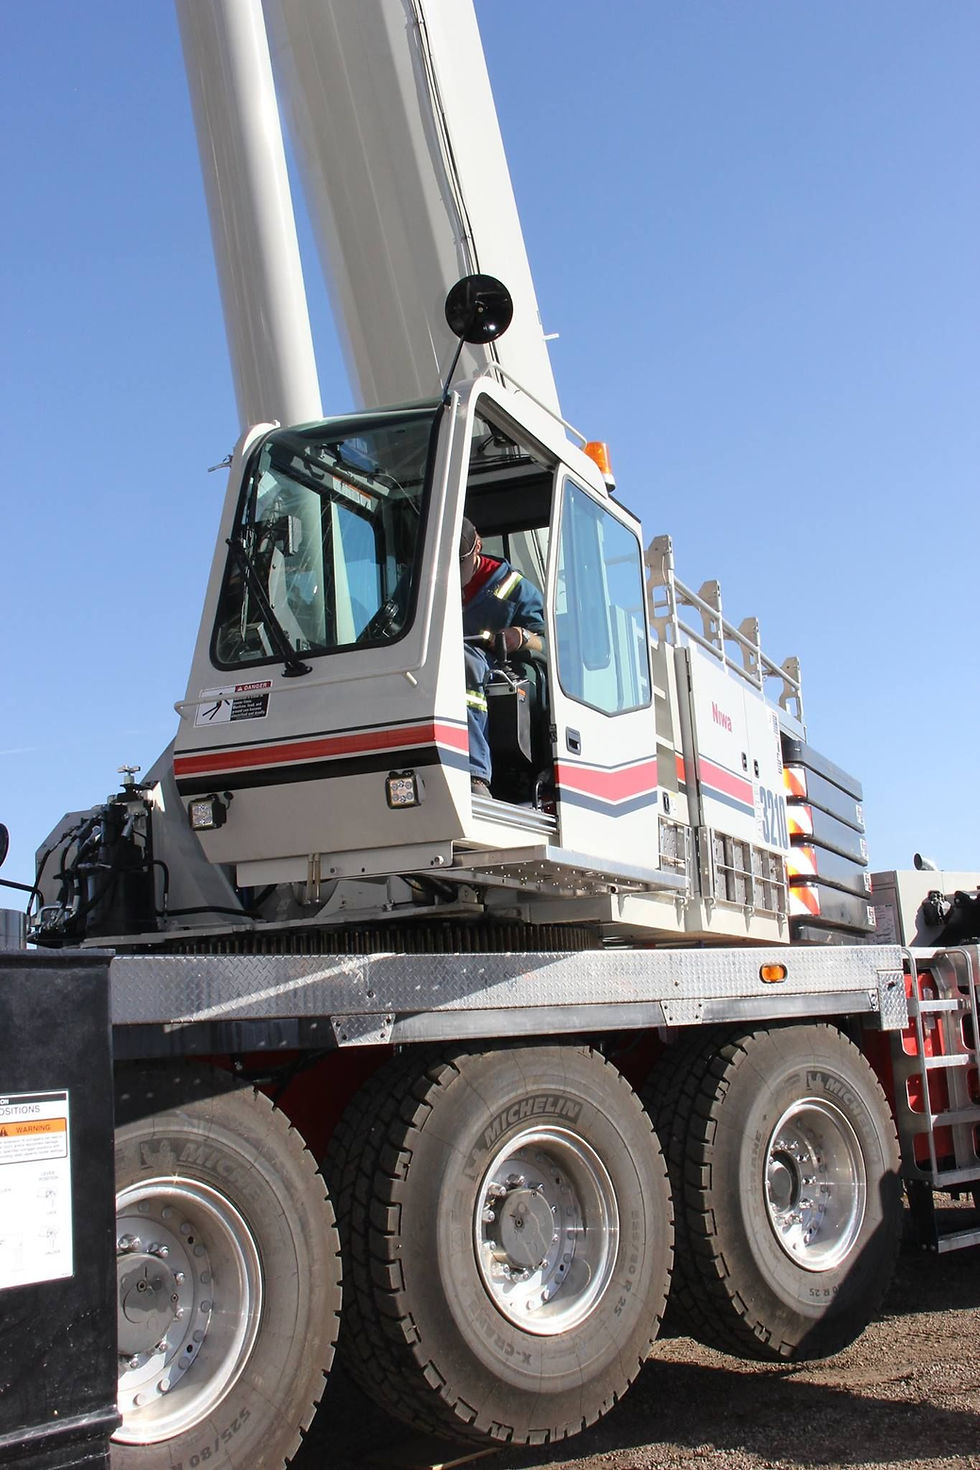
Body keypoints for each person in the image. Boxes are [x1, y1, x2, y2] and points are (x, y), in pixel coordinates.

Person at [459, 517, 545, 797]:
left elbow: (548, 645)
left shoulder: (516, 588)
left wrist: (521, 636)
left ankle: (475, 774)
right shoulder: (425, 580)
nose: (453, 571)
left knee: (465, 662)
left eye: (460, 563)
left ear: (478, 548)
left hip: (490, 667)